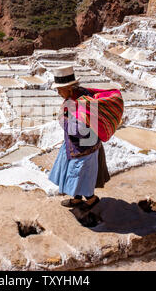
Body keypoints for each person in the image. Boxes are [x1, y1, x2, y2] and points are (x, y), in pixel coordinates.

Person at [48, 66, 112, 211]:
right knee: (74, 174)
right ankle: (76, 199)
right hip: (75, 146)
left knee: (81, 176)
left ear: (69, 88)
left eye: (59, 89)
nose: (58, 93)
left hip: (85, 148)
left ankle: (91, 200)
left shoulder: (84, 102)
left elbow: (83, 130)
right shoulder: (76, 96)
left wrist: (62, 121)